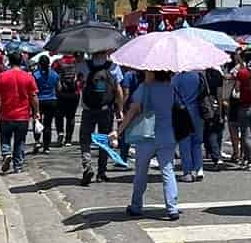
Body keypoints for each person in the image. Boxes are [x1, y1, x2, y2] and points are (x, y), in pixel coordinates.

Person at [117, 71, 180, 221]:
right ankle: (172, 208)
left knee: (141, 171)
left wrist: (119, 131)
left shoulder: (144, 88)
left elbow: (133, 110)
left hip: (147, 135)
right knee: (168, 170)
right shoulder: (170, 88)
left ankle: (136, 205)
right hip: (167, 134)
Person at [79, 50, 124, 186]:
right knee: (105, 139)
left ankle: (87, 165)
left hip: (88, 109)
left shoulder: (84, 65)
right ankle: (101, 172)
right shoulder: (113, 66)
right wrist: (119, 110)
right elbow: (118, 90)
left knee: (85, 138)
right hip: (106, 109)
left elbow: (80, 83)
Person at [0, 53, 39, 175]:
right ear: (21, 62)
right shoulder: (28, 77)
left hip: (6, 114)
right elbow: (33, 96)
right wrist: (36, 112)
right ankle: (18, 166)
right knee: (20, 141)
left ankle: (6, 153)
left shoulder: (2, 76)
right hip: (23, 116)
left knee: (5, 138)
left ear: (9, 61)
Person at [172, 70, 204, 182]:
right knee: (197, 142)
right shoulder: (198, 76)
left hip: (183, 112)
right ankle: (199, 168)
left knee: (184, 143)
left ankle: (188, 172)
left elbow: (173, 97)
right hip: (198, 111)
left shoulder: (176, 78)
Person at [234, 51, 251, 171]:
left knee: (246, 134)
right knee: (249, 133)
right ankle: (246, 158)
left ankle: (249, 161)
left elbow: (237, 89)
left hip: (244, 106)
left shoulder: (242, 73)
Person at [32, 55, 59, 154]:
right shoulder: (54, 74)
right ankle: (46, 147)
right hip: (51, 100)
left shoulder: (35, 75)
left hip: (38, 101)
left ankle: (37, 141)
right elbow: (58, 88)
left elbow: (32, 89)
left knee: (37, 121)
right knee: (48, 124)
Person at [202, 67, 226, 170]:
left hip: (206, 105)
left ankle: (215, 155)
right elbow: (220, 94)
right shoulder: (218, 74)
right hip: (217, 104)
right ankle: (217, 154)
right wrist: (220, 111)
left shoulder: (202, 75)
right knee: (218, 130)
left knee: (209, 131)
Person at [54, 54, 81, 147]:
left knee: (59, 116)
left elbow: (55, 76)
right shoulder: (77, 62)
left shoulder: (58, 62)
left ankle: (60, 132)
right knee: (71, 117)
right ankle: (68, 139)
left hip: (61, 93)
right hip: (74, 93)